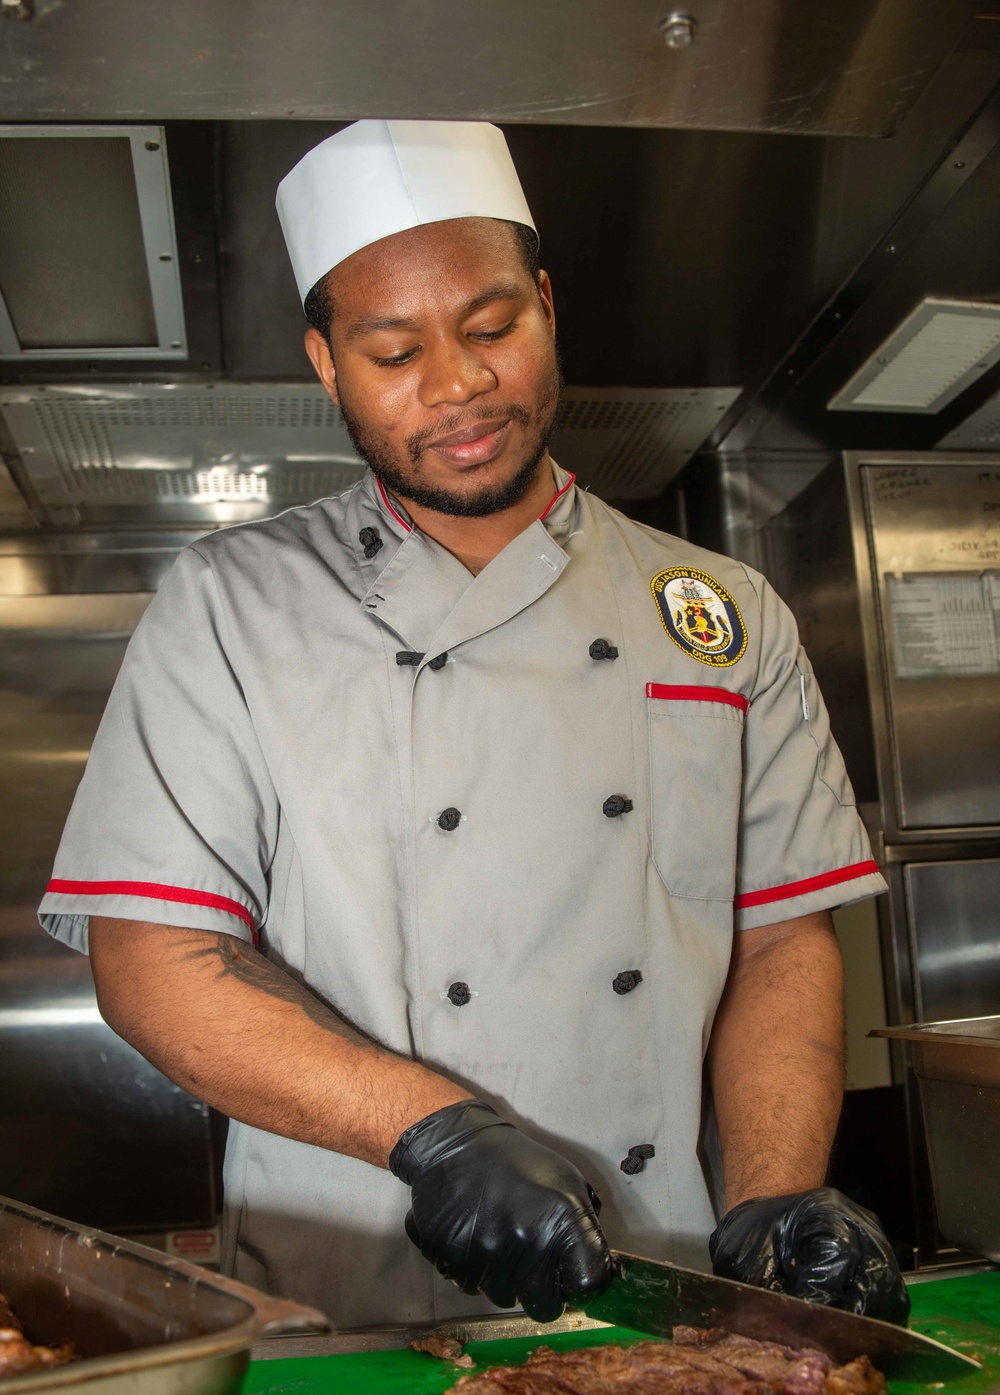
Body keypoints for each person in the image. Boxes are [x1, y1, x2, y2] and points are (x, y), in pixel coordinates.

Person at [39, 120, 907, 1330]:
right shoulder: (230, 606)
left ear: (546, 305)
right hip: (354, 1282)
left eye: (493, 327)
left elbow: (780, 938)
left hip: (656, 1278)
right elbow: (153, 964)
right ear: (325, 363)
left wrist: (773, 1196)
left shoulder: (718, 610)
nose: (458, 385)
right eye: (393, 351)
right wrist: (432, 1134)